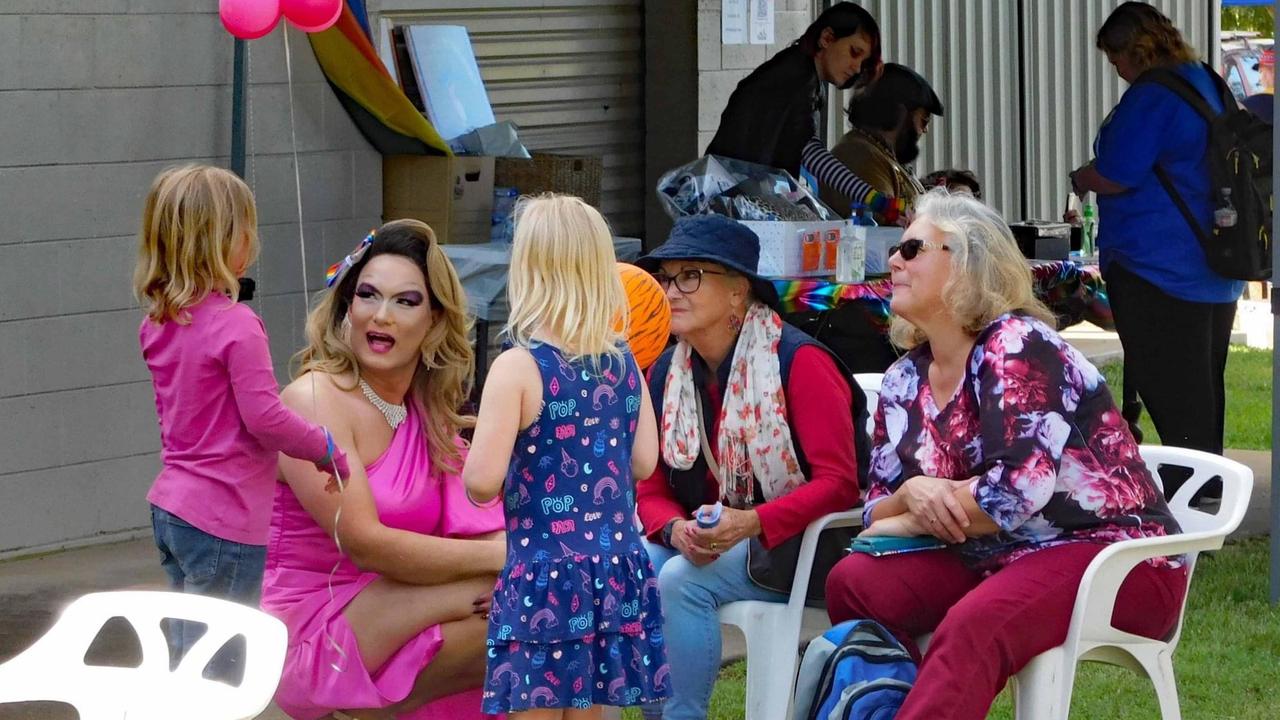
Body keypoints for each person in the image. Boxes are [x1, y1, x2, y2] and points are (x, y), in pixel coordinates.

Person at [823, 189, 1188, 720]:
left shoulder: (1017, 345)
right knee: (856, 583)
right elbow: (874, 509)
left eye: (912, 248)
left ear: (967, 262)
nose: (893, 260)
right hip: (995, 554)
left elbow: (1014, 495)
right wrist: (908, 495)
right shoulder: (905, 378)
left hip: (1118, 559)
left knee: (977, 623)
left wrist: (908, 521)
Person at [261, 220, 506, 719]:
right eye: (368, 295)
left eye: (405, 301)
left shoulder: (425, 410)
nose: (382, 315)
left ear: (436, 321)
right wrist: (509, 560)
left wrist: (517, 564)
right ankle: (382, 709)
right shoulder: (314, 399)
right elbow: (366, 544)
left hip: (393, 603)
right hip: (313, 628)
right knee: (530, 605)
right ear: (347, 308)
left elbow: (475, 524)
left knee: (545, 605)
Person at [634, 214, 865, 720]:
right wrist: (674, 528)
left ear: (739, 292)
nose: (672, 291)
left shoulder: (800, 362)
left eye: (690, 275)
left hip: (802, 545)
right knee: (638, 566)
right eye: (666, 277)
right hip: (708, 538)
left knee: (679, 580)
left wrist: (752, 522)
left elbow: (841, 484)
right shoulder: (664, 373)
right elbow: (647, 484)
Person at [133, 165, 349, 675]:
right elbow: (265, 418)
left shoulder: (157, 323)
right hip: (223, 520)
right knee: (219, 672)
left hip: (173, 509)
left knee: (185, 655)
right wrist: (325, 447)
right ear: (226, 241)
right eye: (246, 227)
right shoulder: (238, 325)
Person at [463, 195, 669, 718]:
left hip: (544, 576)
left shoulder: (518, 366)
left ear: (526, 270)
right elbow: (644, 461)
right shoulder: (623, 358)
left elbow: (482, 482)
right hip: (614, 571)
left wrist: (491, 440)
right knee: (592, 709)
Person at [1070, 1, 1243, 498]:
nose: (1118, 71)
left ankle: (1189, 498)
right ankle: (1210, 489)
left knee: (1171, 388)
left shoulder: (1152, 96)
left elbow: (1118, 174)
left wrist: (1082, 178)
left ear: (1136, 50)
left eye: (1116, 59)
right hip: (1213, 264)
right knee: (1203, 386)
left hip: (1159, 267)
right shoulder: (1204, 79)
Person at [705, 2, 903, 221]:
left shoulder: (798, 72)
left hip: (729, 197)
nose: (856, 68)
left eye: (863, 61)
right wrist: (878, 201)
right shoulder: (796, 79)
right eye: (854, 52)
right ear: (826, 38)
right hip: (735, 203)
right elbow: (812, 154)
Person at [820, 63, 943, 221]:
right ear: (900, 113)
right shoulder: (859, 155)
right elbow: (882, 223)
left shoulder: (877, 154)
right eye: (923, 121)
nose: (924, 130)